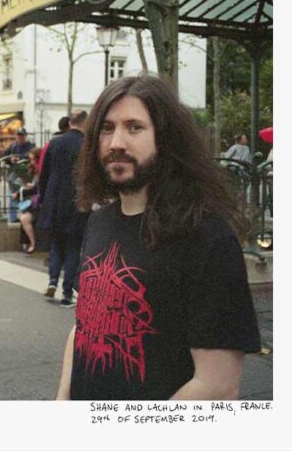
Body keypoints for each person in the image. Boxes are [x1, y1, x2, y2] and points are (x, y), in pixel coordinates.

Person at [56, 76, 260, 401]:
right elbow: (84, 325)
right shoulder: (98, 222)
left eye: (134, 127)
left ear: (166, 139)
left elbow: (217, 386)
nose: (116, 143)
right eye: (107, 129)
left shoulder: (207, 237)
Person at [37, 110, 89, 307]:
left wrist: (44, 199)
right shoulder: (86, 146)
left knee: (57, 244)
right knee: (73, 247)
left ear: (70, 123)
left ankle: (52, 280)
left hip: (55, 200)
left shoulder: (55, 143)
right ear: (84, 123)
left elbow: (44, 174)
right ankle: (67, 293)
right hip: (76, 201)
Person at [4, 127, 35, 223]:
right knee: (13, 196)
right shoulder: (12, 146)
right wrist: (11, 159)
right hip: (14, 174)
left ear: (25, 136)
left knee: (25, 196)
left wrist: (24, 160)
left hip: (26, 175)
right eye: (19, 135)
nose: (20, 138)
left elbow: (33, 158)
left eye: (22, 135)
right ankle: (13, 218)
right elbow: (5, 157)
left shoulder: (30, 146)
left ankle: (26, 215)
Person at [16, 147, 42, 254]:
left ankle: (33, 243)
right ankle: (30, 242)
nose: (31, 162)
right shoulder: (34, 171)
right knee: (23, 216)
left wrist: (32, 187)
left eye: (33, 159)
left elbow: (39, 188)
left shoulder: (41, 171)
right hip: (36, 201)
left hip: (40, 203)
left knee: (25, 218)